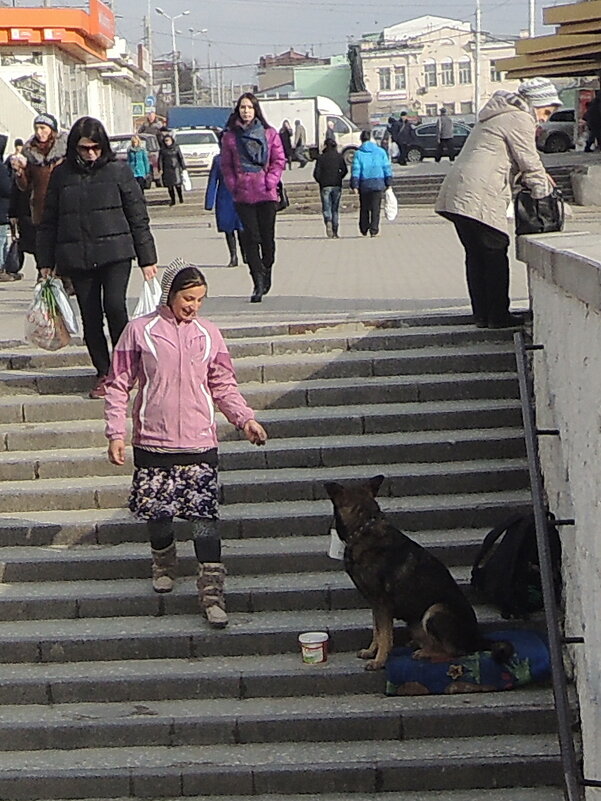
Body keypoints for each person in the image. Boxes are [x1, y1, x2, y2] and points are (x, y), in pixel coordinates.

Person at [104, 259, 268, 628]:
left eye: (200, 300)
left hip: (198, 442)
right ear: (170, 294)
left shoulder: (209, 334)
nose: (193, 306)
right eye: (188, 297)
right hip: (152, 441)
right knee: (158, 514)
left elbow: (223, 385)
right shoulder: (139, 331)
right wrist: (116, 433)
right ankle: (163, 560)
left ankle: (212, 592)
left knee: (204, 521)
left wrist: (245, 419)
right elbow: (118, 385)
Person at [37, 116, 158, 399]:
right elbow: (49, 221)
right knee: (91, 317)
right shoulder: (62, 175)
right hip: (77, 257)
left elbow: (138, 216)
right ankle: (104, 372)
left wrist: (147, 258)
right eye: (84, 148)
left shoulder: (118, 171)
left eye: (96, 148)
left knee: (115, 307)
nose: (91, 154)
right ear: (74, 148)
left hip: (116, 253)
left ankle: (125, 368)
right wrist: (44, 262)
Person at [435, 77, 558, 329]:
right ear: (535, 104)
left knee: (476, 254)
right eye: (545, 111)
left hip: (458, 191)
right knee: (494, 250)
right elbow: (529, 160)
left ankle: (482, 315)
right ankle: (498, 316)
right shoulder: (519, 118)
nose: (545, 118)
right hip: (480, 193)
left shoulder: (496, 114)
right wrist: (543, 196)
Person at [220, 93, 285, 303]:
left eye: (249, 107)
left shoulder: (269, 134)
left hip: (266, 194)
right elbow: (226, 166)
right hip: (244, 195)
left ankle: (267, 269)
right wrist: (234, 185)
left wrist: (270, 181)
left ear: (256, 110)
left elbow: (278, 160)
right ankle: (257, 281)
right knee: (250, 239)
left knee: (267, 239)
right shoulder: (230, 137)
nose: (245, 111)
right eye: (242, 107)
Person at [13, 113, 67, 272]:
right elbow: (24, 186)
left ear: (52, 130)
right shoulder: (29, 152)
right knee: (43, 249)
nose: (39, 132)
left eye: (43, 128)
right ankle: (46, 279)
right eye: (36, 128)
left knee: (63, 247)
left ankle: (65, 278)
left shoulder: (65, 151)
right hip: (40, 208)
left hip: (63, 206)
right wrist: (19, 173)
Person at [205, 146, 245, 267]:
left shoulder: (241, 158)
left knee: (243, 229)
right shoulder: (218, 160)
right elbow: (213, 180)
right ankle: (233, 256)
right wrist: (209, 202)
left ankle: (246, 254)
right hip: (224, 198)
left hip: (241, 196)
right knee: (228, 230)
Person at [350, 129, 393, 238]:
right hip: (378, 182)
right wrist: (389, 182)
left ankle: (364, 228)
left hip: (364, 183)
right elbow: (386, 168)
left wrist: (355, 185)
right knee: (376, 208)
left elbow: (356, 170)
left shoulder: (358, 153)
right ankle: (374, 229)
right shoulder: (381, 152)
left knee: (364, 207)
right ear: (370, 138)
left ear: (361, 139)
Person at [312, 138, 348, 238]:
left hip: (325, 186)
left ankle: (328, 221)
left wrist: (321, 181)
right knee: (335, 209)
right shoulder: (339, 157)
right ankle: (335, 231)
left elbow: (316, 173)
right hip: (336, 184)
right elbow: (345, 170)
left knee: (326, 207)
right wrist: (339, 177)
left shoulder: (321, 158)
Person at [0, 134, 14, 281]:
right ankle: (1, 268)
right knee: (1, 239)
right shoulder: (2, 168)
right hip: (2, 209)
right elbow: (6, 188)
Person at [159, 133, 186, 206]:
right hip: (167, 169)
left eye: (168, 140)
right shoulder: (162, 150)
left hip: (175, 168)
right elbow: (160, 160)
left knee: (178, 185)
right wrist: (160, 169)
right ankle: (173, 200)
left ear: (171, 140)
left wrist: (183, 167)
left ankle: (180, 198)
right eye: (165, 141)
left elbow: (180, 157)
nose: (167, 142)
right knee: (169, 186)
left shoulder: (176, 147)